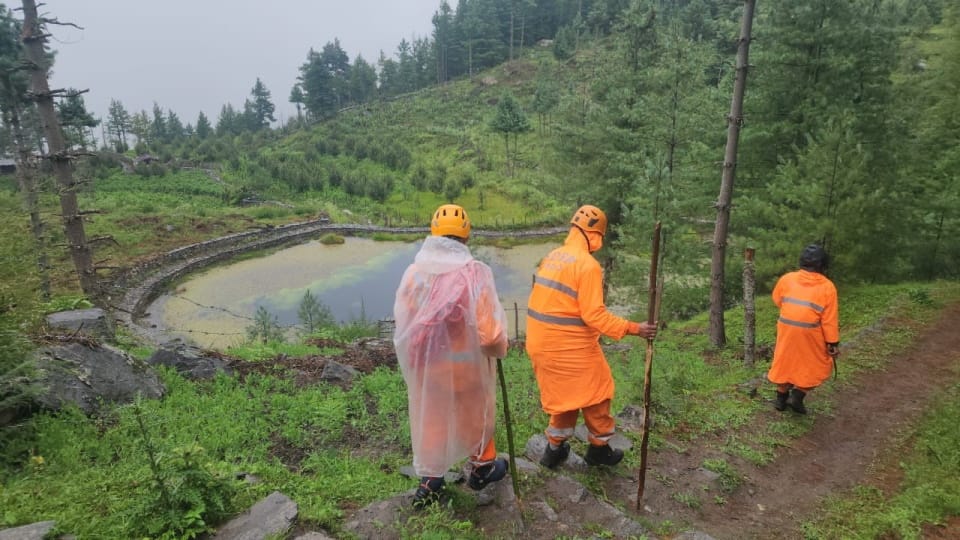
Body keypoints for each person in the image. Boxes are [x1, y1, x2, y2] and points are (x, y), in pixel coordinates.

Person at [393, 203, 511, 508]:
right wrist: (499, 351)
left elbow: (404, 320)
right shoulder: (475, 274)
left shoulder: (414, 273)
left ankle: (431, 480)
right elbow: (490, 334)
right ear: (466, 236)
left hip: (428, 366)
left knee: (432, 416)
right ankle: (482, 467)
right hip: (464, 368)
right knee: (477, 414)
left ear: (433, 232)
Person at [525, 204, 657, 469]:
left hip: (539, 343)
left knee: (565, 396)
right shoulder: (587, 265)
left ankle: (554, 449)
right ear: (596, 235)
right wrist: (635, 328)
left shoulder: (553, 256)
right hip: (567, 346)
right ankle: (599, 450)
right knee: (598, 391)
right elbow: (594, 315)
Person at [767, 244, 840, 414]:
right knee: (817, 363)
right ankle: (798, 396)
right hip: (810, 332)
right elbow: (829, 320)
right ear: (823, 265)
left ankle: (780, 399)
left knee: (785, 359)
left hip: (786, 328)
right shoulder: (828, 287)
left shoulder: (787, 279)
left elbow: (777, 300)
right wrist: (832, 343)